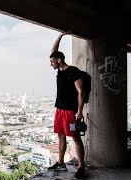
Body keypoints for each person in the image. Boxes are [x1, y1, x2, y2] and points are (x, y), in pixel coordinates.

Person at [47, 32, 85, 179]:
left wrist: (80, 111)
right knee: (60, 136)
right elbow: (53, 51)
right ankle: (61, 163)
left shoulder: (73, 71)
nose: (51, 64)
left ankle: (81, 166)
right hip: (60, 110)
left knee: (75, 138)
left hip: (70, 111)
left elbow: (81, 91)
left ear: (59, 60)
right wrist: (61, 35)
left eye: (52, 62)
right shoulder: (60, 71)